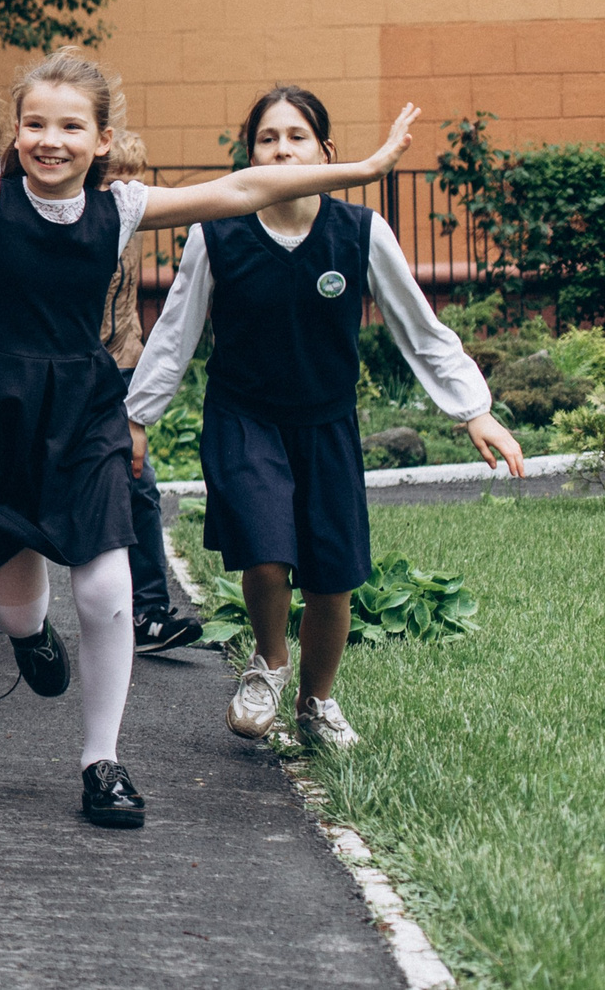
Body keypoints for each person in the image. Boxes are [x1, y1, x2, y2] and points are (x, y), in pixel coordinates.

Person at [0, 51, 423, 829]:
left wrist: (363, 167)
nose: (50, 140)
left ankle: (102, 760)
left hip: (85, 411)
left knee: (105, 590)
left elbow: (247, 187)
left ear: (100, 139)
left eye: (70, 126)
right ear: (16, 133)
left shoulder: (119, 207)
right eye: (35, 125)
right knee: (21, 604)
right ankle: (29, 638)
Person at [128, 86, 522, 751]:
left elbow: (420, 331)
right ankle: (269, 663)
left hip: (327, 422)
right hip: (244, 416)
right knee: (266, 545)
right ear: (249, 155)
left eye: (296, 136)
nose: (282, 149)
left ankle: (317, 701)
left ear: (326, 151)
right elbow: (174, 335)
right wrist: (136, 417)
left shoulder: (360, 232)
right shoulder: (216, 233)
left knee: (333, 575)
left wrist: (474, 410)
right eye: (267, 139)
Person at [96, 124, 203, 657]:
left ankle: (150, 612)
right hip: (75, 372)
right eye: (116, 182)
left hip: (122, 371)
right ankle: (0, 603)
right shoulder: (83, 230)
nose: (127, 195)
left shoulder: (131, 225)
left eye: (134, 183)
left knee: (140, 483)